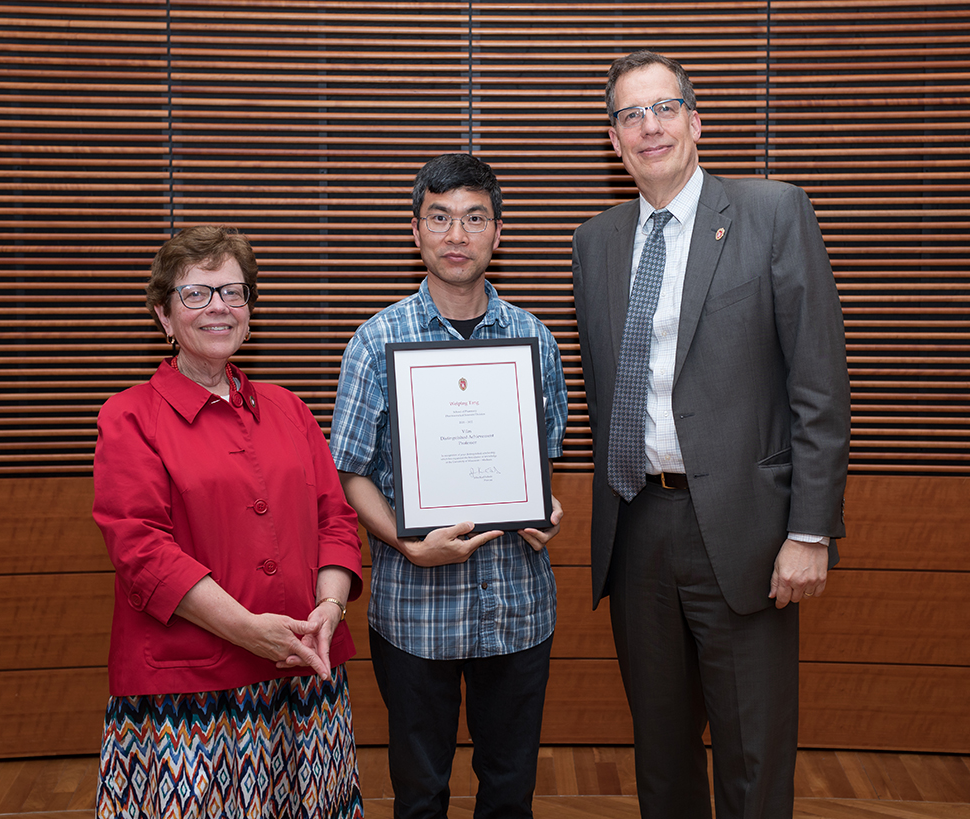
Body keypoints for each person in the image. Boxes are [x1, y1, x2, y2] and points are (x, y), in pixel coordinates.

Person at [571, 51, 850, 819]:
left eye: (663, 108)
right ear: (614, 140)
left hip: (747, 532)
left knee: (752, 754)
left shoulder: (771, 212)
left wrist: (809, 530)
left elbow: (818, 384)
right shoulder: (594, 243)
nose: (648, 126)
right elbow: (599, 391)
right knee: (661, 753)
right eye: (631, 114)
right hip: (636, 526)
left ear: (697, 121)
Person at [92, 225, 365, 819]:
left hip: (304, 673)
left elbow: (336, 520)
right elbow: (142, 552)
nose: (219, 306)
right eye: (197, 294)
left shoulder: (290, 407)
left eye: (233, 292)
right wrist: (248, 630)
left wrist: (330, 607)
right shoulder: (129, 417)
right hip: (188, 691)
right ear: (165, 317)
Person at [330, 153, 568, 819]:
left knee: (510, 792)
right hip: (415, 611)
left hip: (517, 607)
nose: (457, 235)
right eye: (440, 218)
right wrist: (405, 545)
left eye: (473, 218)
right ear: (416, 231)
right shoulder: (375, 341)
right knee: (419, 795)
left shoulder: (535, 338)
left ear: (498, 232)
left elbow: (541, 463)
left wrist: (546, 508)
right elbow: (348, 471)